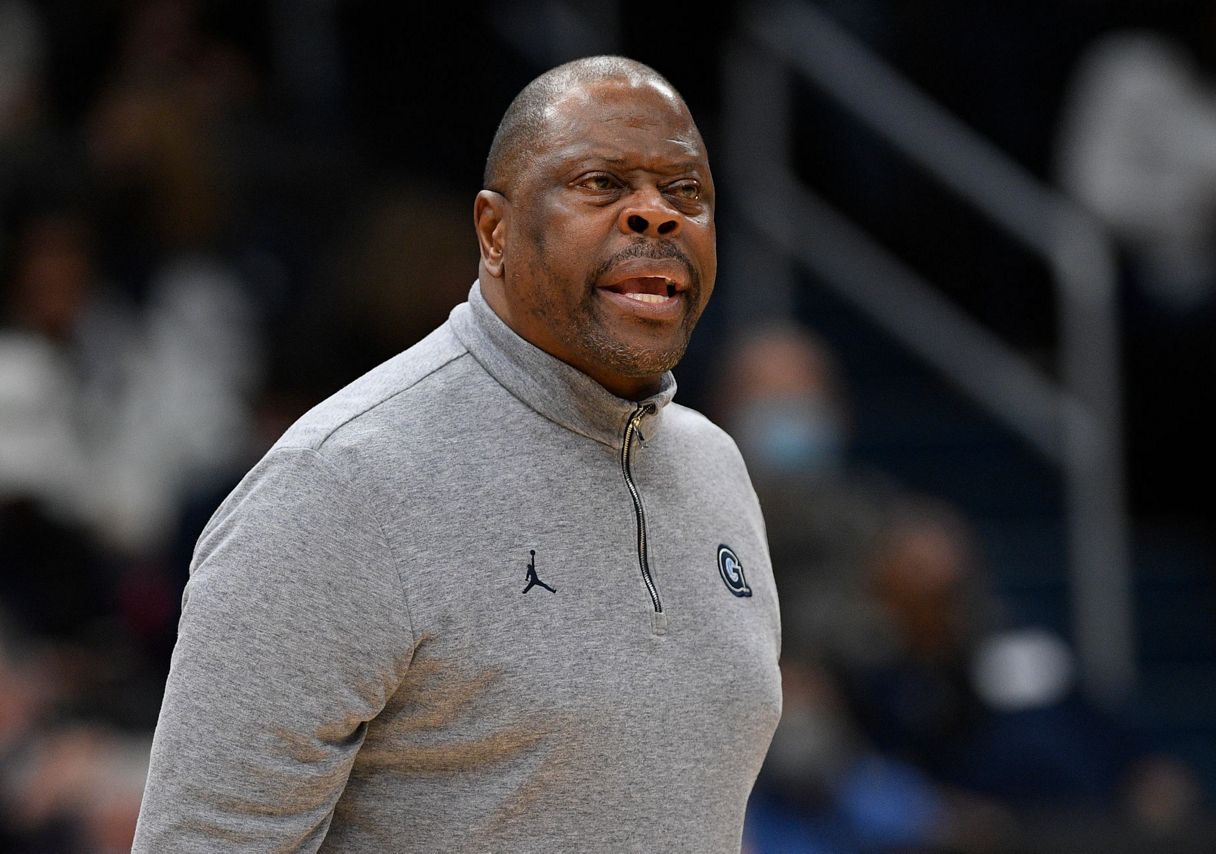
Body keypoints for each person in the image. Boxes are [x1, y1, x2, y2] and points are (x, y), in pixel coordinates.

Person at [131, 56, 782, 852]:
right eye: (601, 184)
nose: (655, 215)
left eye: (685, 192)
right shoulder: (340, 483)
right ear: (495, 232)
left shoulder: (717, 468)